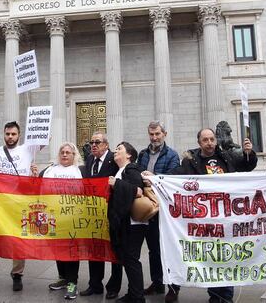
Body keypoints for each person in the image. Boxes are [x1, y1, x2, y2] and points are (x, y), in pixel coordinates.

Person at [171, 128, 257, 303]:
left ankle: (226, 296)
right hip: (204, 221)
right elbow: (175, 177)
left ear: (216, 141)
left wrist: (249, 154)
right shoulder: (190, 162)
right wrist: (157, 178)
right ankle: (215, 295)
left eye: (212, 139)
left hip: (227, 217)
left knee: (226, 256)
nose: (209, 143)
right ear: (199, 143)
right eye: (205, 140)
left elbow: (247, 166)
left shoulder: (227, 157)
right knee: (212, 258)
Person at [0, 121, 43, 292]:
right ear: (3, 135)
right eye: (7, 134)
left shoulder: (28, 149)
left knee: (19, 239)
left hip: (20, 202)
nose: (10, 137)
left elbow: (45, 135)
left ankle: (17, 274)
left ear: (19, 135)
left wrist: (40, 119)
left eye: (13, 134)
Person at [33, 142, 83, 300]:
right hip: (54, 217)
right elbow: (37, 186)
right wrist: (34, 175)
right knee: (58, 249)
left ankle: (72, 283)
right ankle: (63, 277)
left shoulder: (79, 171)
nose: (65, 154)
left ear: (74, 155)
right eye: (62, 152)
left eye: (68, 152)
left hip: (71, 217)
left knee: (71, 252)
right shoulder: (50, 170)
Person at [138, 121, 180, 303]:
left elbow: (172, 178)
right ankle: (157, 282)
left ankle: (173, 286)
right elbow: (137, 172)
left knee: (168, 249)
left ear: (165, 134)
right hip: (148, 205)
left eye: (157, 134)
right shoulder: (143, 154)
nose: (154, 138)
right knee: (153, 249)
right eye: (151, 134)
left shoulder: (172, 155)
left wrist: (153, 179)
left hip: (165, 208)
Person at [79, 131, 122, 300]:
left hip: (112, 212)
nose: (94, 145)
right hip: (94, 213)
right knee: (95, 249)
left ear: (106, 144)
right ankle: (95, 284)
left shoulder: (114, 159)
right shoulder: (89, 159)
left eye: (97, 142)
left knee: (114, 250)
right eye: (92, 142)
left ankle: (113, 286)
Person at [108, 142, 146, 303]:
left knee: (131, 260)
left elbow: (138, 191)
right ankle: (133, 293)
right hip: (124, 223)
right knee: (127, 260)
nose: (115, 151)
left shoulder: (131, 169)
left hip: (133, 224)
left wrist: (115, 184)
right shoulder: (120, 171)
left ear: (129, 155)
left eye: (119, 149)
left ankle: (137, 297)